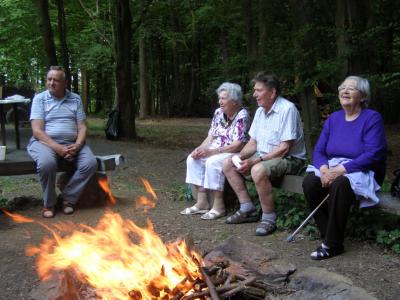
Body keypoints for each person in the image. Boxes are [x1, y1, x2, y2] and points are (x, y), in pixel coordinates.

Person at [302, 76, 387, 260]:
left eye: (352, 88)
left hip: (363, 169)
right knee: (310, 182)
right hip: (333, 167)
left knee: (339, 184)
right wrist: (324, 170)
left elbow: (374, 153)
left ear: (362, 96)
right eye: (343, 88)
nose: (345, 91)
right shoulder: (334, 118)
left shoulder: (372, 118)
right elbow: (319, 150)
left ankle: (332, 245)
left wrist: (340, 170)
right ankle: (328, 234)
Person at [223, 72, 306, 236]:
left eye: (258, 90)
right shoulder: (261, 111)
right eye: (255, 90)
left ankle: (269, 218)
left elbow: (284, 148)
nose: (254, 94)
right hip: (265, 156)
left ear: (272, 92)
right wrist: (239, 157)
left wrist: (255, 162)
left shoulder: (287, 109)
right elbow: (253, 143)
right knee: (228, 163)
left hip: (290, 159)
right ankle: (247, 208)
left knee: (257, 170)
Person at [27, 66, 98, 218]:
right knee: (47, 164)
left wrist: (78, 145)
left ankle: (67, 199)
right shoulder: (40, 99)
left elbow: (82, 127)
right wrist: (58, 148)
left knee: (90, 163)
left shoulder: (75, 99)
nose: (51, 83)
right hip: (44, 143)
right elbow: (37, 131)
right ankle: (49, 204)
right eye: (49, 79)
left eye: (56, 80)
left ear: (65, 83)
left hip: (72, 143)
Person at [181, 82, 250, 220]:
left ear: (235, 101)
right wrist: (200, 149)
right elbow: (210, 137)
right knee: (192, 158)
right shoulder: (218, 113)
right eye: (219, 98)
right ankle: (202, 202)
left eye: (224, 98)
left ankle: (219, 206)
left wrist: (212, 152)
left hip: (233, 152)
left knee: (212, 162)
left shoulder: (242, 116)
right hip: (216, 149)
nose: (220, 102)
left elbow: (238, 145)